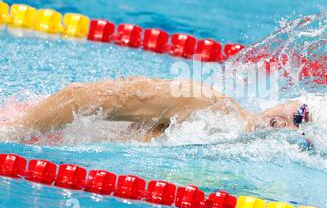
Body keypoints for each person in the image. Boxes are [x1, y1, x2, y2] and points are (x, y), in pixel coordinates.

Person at [4, 76, 311, 143]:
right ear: (288, 100)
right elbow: (79, 97)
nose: (293, 126)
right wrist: (12, 134)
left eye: (305, 132)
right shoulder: (207, 104)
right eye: (301, 114)